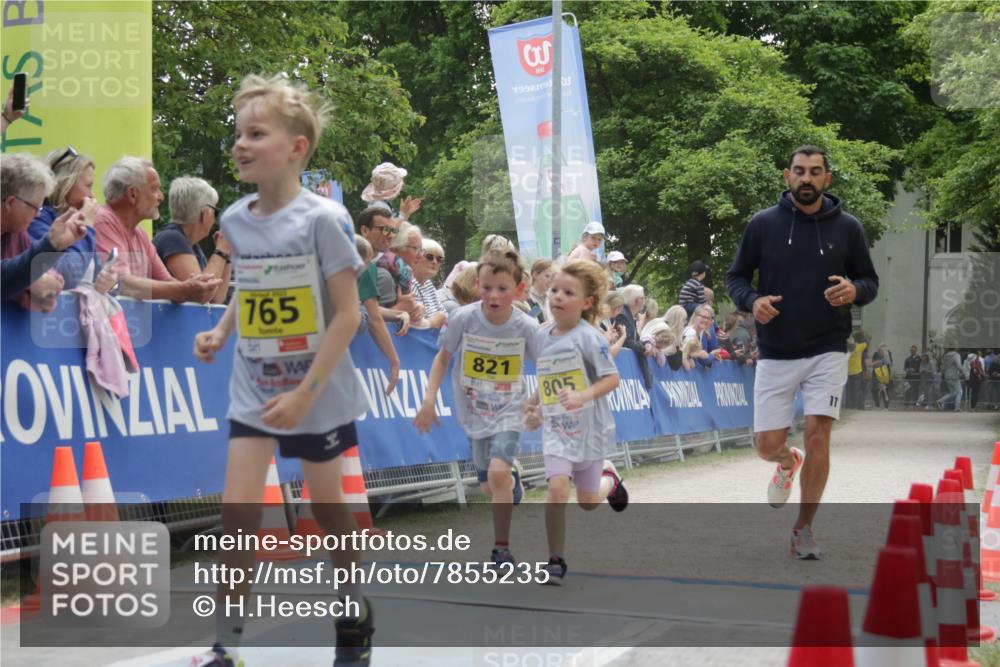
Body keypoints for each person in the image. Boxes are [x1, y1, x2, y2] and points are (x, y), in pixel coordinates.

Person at [190, 74, 373, 667]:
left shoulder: (325, 219)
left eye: (256, 133)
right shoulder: (238, 220)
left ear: (296, 147)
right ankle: (227, 645)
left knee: (328, 512)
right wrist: (221, 329)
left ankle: (354, 606)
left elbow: (347, 317)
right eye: (238, 133)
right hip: (253, 386)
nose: (240, 145)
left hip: (315, 391)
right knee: (238, 512)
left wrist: (304, 396)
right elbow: (254, 284)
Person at [725, 144, 879, 560]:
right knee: (764, 445)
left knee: (819, 435)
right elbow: (736, 277)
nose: (806, 179)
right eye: (799, 171)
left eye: (815, 172)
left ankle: (803, 528)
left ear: (827, 178)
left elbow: (869, 281)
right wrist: (751, 301)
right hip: (775, 349)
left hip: (827, 347)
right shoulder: (762, 225)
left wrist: (855, 290)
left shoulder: (848, 228)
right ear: (786, 176)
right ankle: (786, 460)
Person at [413, 249, 537, 568]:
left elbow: (548, 366)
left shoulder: (525, 326)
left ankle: (501, 549)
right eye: (486, 287)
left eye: (502, 288)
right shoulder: (462, 319)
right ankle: (510, 487)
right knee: (487, 483)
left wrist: (543, 403)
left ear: (519, 289)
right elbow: (442, 359)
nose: (493, 295)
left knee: (497, 473)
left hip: (510, 410)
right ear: (476, 285)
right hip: (473, 414)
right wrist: (428, 400)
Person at [521, 259, 629, 585]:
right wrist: (532, 405)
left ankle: (609, 477)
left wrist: (582, 396)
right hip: (557, 428)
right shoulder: (540, 335)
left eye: (568, 292)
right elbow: (549, 376)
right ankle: (556, 559)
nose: (557, 297)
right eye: (554, 289)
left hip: (589, 429)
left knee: (587, 502)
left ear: (586, 303)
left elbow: (612, 380)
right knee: (556, 488)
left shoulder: (590, 338)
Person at [95, 157, 221, 303]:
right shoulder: (103, 221)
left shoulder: (140, 235)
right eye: (154, 189)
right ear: (132, 194)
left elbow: (168, 282)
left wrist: (193, 290)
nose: (161, 197)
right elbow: (121, 284)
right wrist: (186, 289)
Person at [2, 153, 88, 303]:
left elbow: (47, 279)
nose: (37, 215)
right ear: (10, 203)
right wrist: (50, 245)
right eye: (36, 207)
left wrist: (49, 280)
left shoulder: (18, 234)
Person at [28, 146, 117, 293]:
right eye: (88, 186)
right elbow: (67, 277)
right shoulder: (37, 220)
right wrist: (86, 225)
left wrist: (113, 284)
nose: (92, 196)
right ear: (65, 184)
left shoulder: (75, 224)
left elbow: (96, 280)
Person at [152, 176, 231, 304]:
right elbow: (203, 294)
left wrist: (226, 254)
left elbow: (216, 299)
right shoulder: (172, 239)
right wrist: (221, 250)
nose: (215, 219)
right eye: (215, 212)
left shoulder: (189, 244)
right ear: (205, 213)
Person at [355, 235, 401, 394]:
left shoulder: (368, 268)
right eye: (364, 266)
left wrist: (394, 361)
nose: (366, 270)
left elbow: (374, 315)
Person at [411, 238, 446, 329]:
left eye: (439, 259)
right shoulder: (410, 284)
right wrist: (435, 321)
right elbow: (414, 322)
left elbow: (444, 314)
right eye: (429, 257)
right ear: (416, 257)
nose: (435, 262)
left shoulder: (428, 284)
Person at [526, 258, 554, 323]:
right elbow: (530, 321)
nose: (550, 280)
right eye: (547, 276)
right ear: (535, 275)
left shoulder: (550, 298)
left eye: (551, 278)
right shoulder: (528, 297)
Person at [869, 343, 892, 409]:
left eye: (883, 348)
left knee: (884, 390)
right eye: (880, 349)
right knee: (874, 389)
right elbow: (872, 362)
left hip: (885, 373)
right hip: (876, 372)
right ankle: (877, 405)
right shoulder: (875, 354)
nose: (881, 350)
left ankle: (886, 407)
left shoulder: (888, 353)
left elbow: (890, 363)